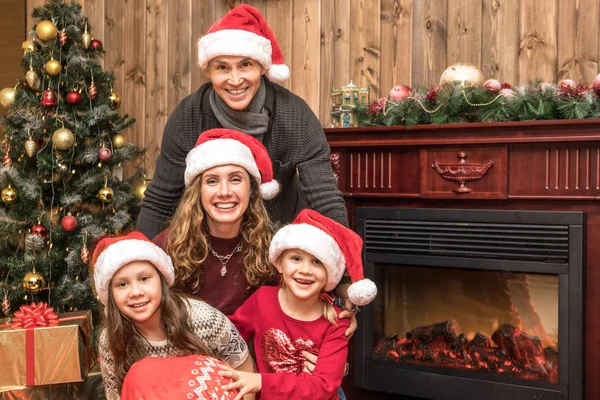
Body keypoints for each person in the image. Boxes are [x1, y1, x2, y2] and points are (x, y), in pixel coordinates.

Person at [136, 3, 348, 241]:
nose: (235, 80)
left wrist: (347, 268)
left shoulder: (295, 115)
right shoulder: (189, 116)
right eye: (222, 68)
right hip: (209, 243)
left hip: (280, 237)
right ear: (209, 72)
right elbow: (159, 202)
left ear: (261, 67)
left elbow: (325, 197)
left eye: (245, 65)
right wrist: (143, 257)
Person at [221, 209, 378, 400]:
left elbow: (322, 387)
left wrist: (260, 381)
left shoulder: (337, 323)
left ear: (330, 273)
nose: (305, 270)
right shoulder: (262, 299)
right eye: (296, 258)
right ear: (279, 263)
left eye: (317, 262)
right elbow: (228, 336)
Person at [93, 231, 254, 400]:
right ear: (110, 294)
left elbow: (245, 374)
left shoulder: (205, 319)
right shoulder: (111, 339)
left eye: (144, 278)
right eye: (122, 284)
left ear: (161, 280)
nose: (136, 292)